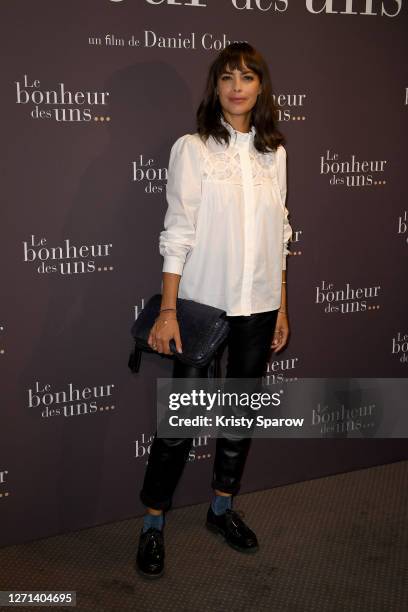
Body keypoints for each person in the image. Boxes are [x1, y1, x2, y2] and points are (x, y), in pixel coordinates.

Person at [136, 42, 293, 579]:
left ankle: (221, 509)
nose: (237, 86)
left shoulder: (275, 151)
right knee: (180, 421)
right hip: (202, 307)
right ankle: (153, 522)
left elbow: (280, 234)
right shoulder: (194, 148)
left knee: (239, 417)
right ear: (215, 87)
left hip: (260, 306)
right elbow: (177, 231)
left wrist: (282, 308)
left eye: (247, 77)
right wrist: (168, 310)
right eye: (227, 77)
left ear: (260, 87)